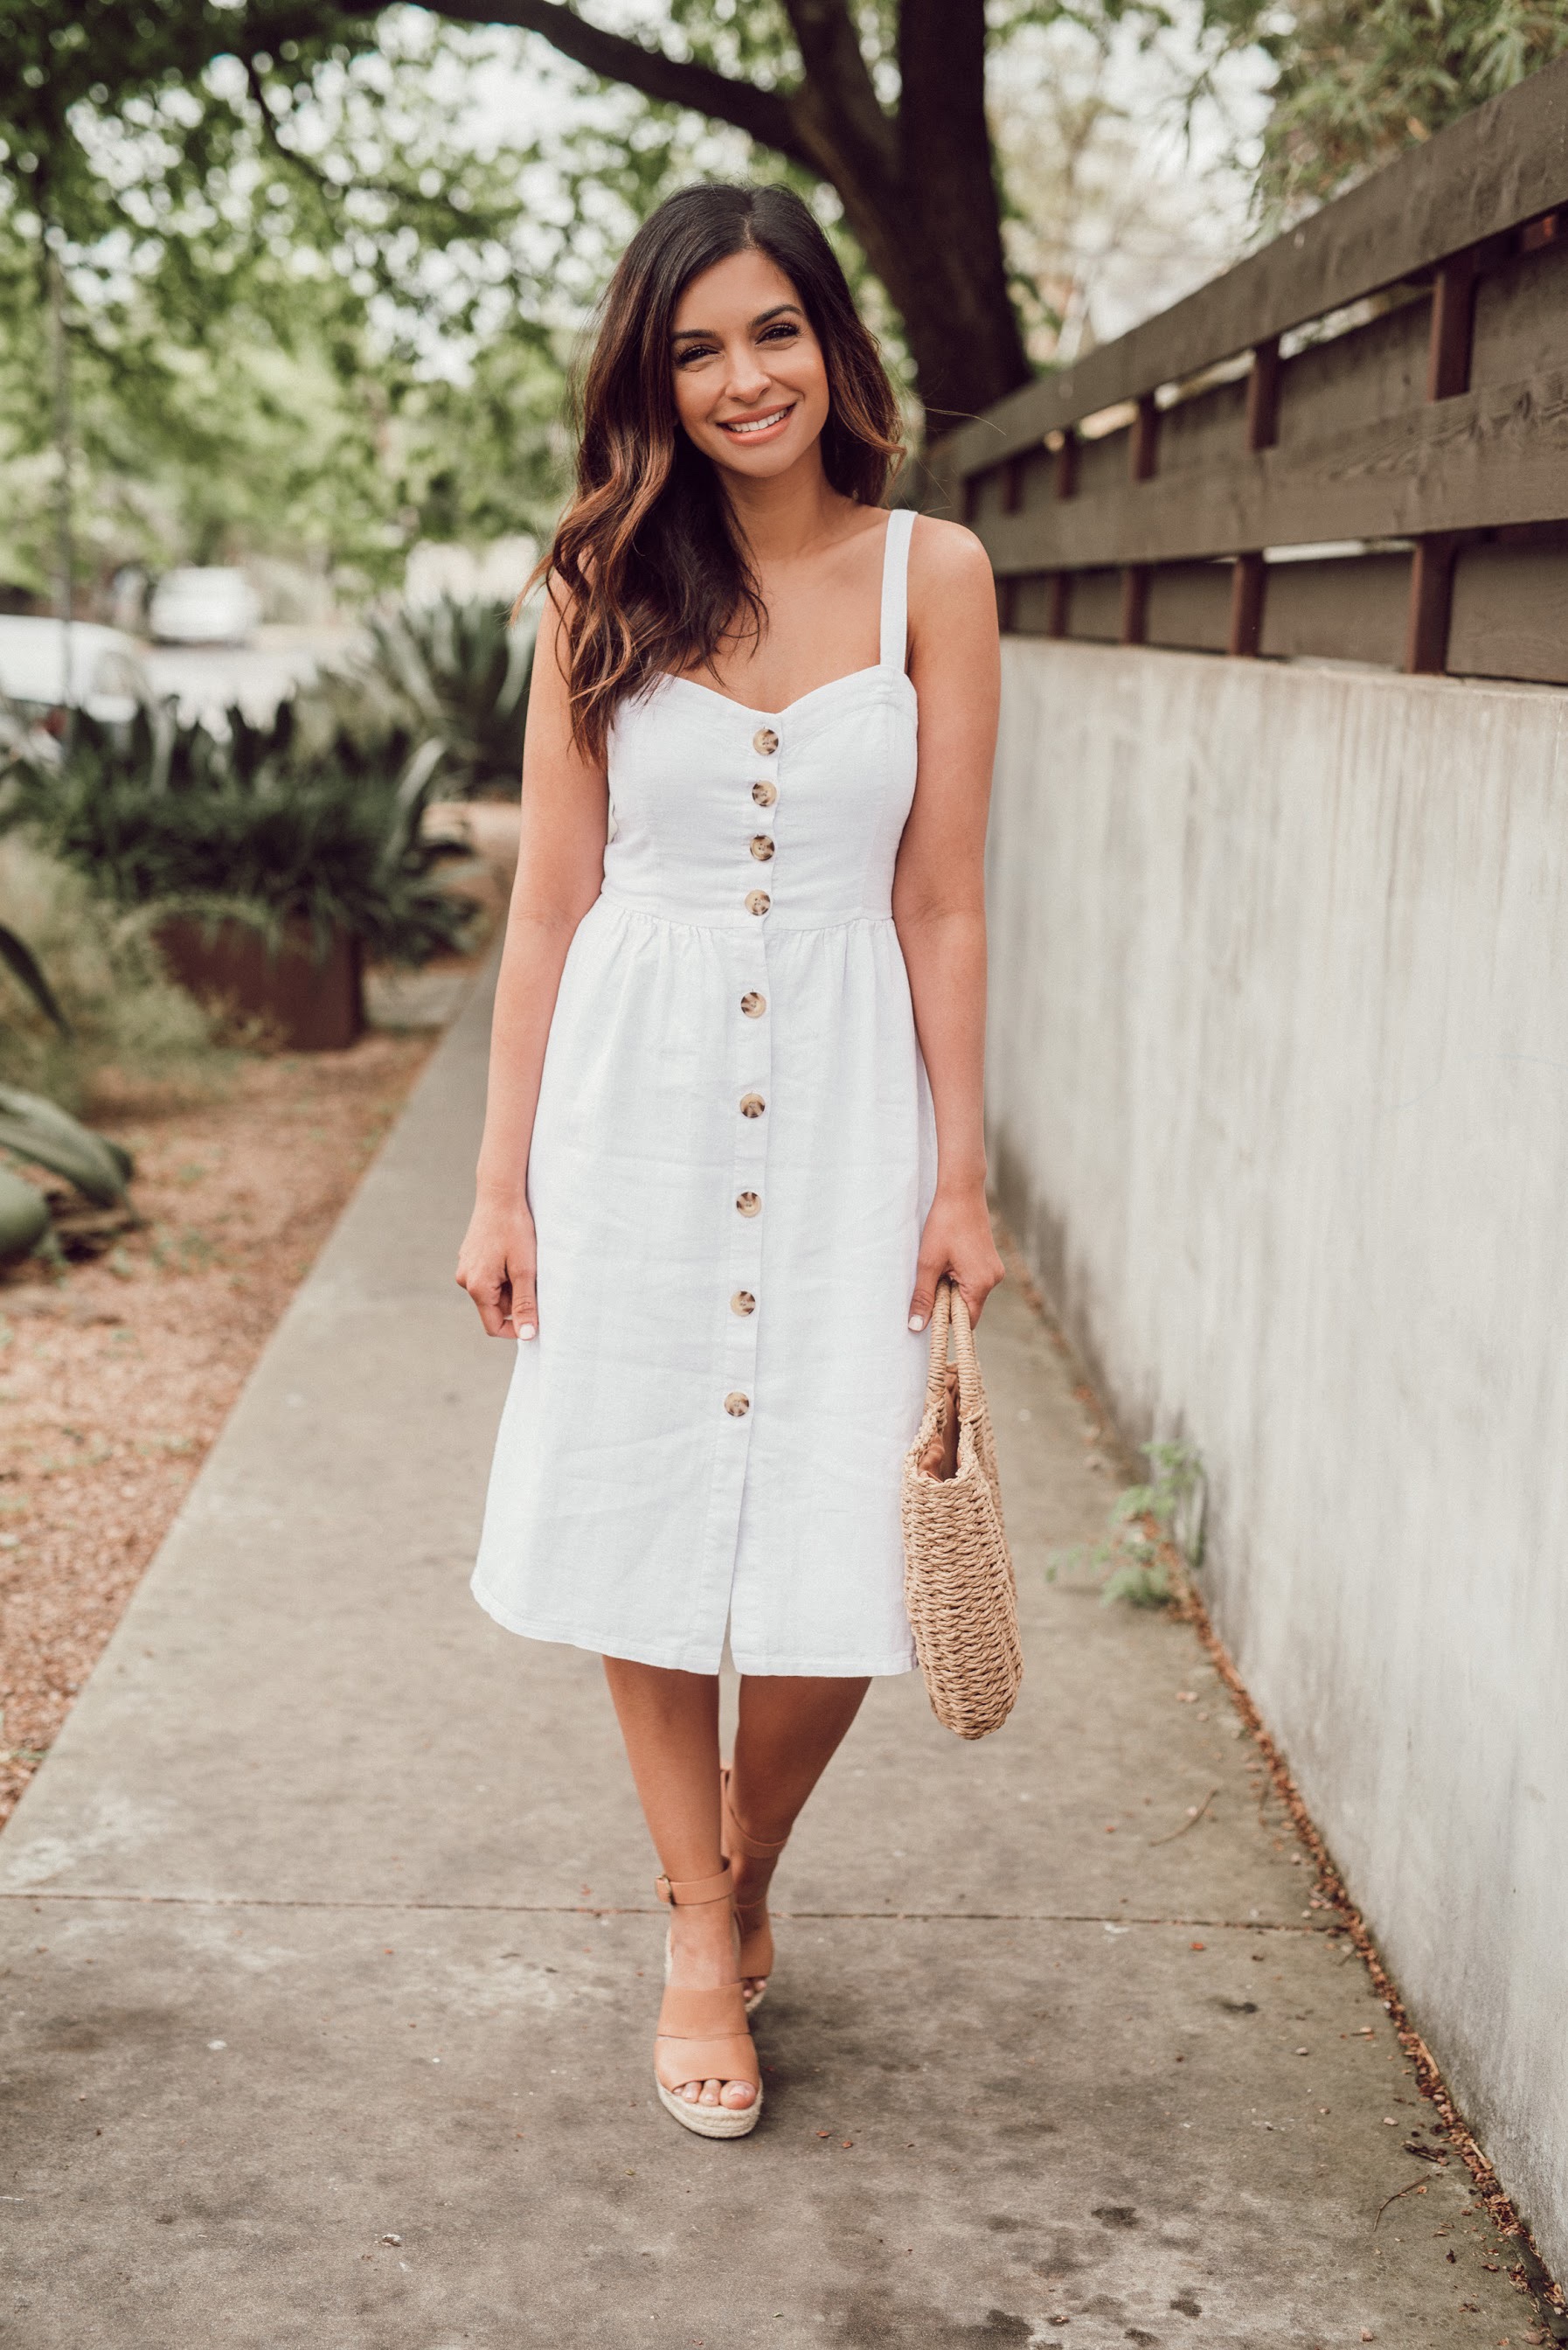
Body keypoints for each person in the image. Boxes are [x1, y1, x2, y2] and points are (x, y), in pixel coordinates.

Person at [456, 182, 1003, 2139]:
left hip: (855, 1091)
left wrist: (960, 1174)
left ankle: (742, 1852)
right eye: (694, 349)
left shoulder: (936, 572)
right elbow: (547, 911)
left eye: (770, 333)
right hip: (641, 1095)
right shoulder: (600, 581)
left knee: (848, 1527)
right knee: (648, 1499)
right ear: (651, 380)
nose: (739, 379)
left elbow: (941, 903)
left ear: (833, 348)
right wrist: (502, 1181)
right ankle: (701, 1926)